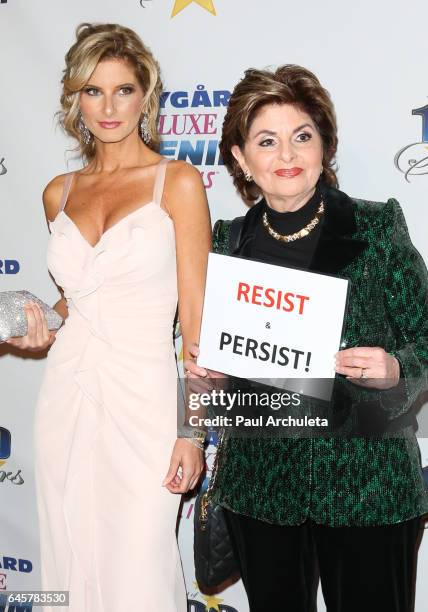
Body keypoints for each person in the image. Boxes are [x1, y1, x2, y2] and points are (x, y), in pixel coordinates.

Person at [186, 65, 428, 612]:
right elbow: (220, 388)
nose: (287, 155)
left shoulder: (376, 227)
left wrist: (396, 368)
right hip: (260, 490)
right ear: (241, 160)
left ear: (324, 146)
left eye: (302, 136)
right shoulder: (227, 243)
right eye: (266, 141)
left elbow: (426, 337)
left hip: (367, 486)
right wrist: (209, 377)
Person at [6, 23, 211, 612]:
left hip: (144, 402)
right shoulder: (57, 193)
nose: (109, 106)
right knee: (67, 551)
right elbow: (76, 301)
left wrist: (191, 431)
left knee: (140, 570)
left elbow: (196, 324)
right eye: (93, 91)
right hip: (66, 393)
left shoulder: (177, 183)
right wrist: (30, 324)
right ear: (75, 99)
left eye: (123, 90)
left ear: (146, 94)